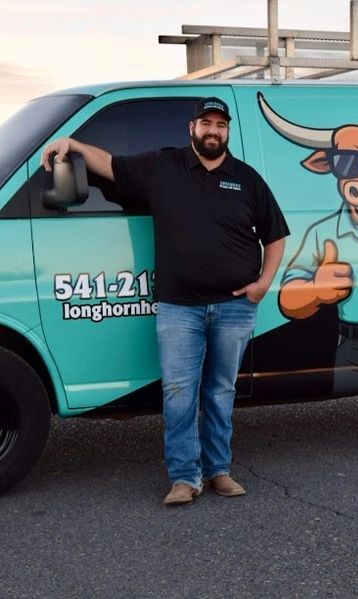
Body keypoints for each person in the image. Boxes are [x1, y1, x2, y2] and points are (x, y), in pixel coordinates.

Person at [41, 97, 289, 505]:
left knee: (220, 391)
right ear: (192, 128)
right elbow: (110, 165)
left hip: (234, 308)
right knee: (178, 393)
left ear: (227, 130)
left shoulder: (246, 179)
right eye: (206, 123)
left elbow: (275, 235)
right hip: (179, 308)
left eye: (220, 125)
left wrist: (263, 283)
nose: (213, 131)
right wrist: (75, 145)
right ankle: (184, 477)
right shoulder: (163, 166)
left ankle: (219, 470)